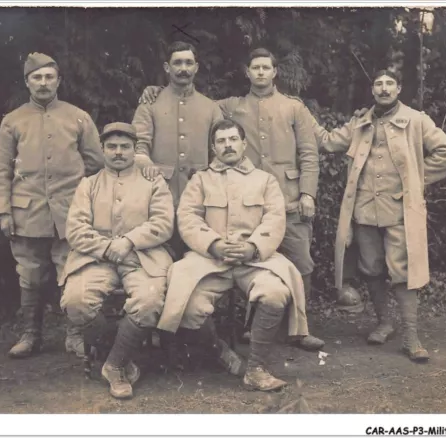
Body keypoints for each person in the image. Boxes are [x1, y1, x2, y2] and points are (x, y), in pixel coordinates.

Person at [141, 48, 324, 352]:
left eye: (267, 67)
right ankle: (255, 329)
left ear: (275, 72)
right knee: (251, 262)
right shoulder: (231, 106)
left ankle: (298, 330)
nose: (261, 73)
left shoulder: (293, 107)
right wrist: (160, 90)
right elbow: (189, 103)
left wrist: (308, 192)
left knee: (299, 261)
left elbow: (309, 152)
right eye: (255, 67)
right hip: (239, 197)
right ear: (247, 72)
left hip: (287, 198)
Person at [315, 69, 446, 362]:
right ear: (372, 89)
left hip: (399, 211)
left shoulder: (416, 120)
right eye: (378, 84)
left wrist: (415, 181)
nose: (383, 89)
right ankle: (384, 322)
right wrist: (302, 115)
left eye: (389, 84)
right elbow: (328, 141)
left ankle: (411, 336)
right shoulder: (360, 122)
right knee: (371, 269)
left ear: (399, 88)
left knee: (402, 272)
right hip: (364, 210)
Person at [158, 119, 310, 391]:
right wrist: (213, 244)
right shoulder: (200, 180)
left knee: (275, 293)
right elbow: (188, 218)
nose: (227, 145)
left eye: (232, 139)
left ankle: (255, 368)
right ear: (213, 148)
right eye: (220, 141)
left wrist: (253, 247)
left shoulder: (265, 181)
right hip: (208, 260)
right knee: (187, 306)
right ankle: (219, 350)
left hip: (255, 259)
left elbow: (274, 220)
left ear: (244, 144)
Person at [0, 52, 104, 358]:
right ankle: (31, 335)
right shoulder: (12, 121)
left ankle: (75, 334)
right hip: (27, 213)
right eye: (36, 78)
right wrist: (3, 211)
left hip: (71, 214)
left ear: (59, 81)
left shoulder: (78, 117)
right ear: (27, 82)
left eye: (48, 77)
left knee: (73, 272)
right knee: (30, 275)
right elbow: (1, 170)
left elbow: (95, 166)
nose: (43, 83)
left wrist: (88, 205)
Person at [59, 122, 174, 399]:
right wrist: (108, 246)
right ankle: (119, 356)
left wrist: (130, 241)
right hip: (96, 258)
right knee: (75, 302)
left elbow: (163, 222)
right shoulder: (88, 185)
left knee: (148, 302)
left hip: (142, 256)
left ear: (135, 150)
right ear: (102, 150)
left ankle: (114, 365)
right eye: (112, 147)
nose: (118, 152)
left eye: (125, 147)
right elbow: (75, 229)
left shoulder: (153, 182)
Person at [132, 41, 223, 259]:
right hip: (160, 197)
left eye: (189, 63)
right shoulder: (150, 104)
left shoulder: (211, 107)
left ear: (196, 67)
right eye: (177, 63)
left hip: (201, 199)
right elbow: (139, 144)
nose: (183, 68)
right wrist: (144, 161)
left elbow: (219, 153)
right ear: (167, 67)